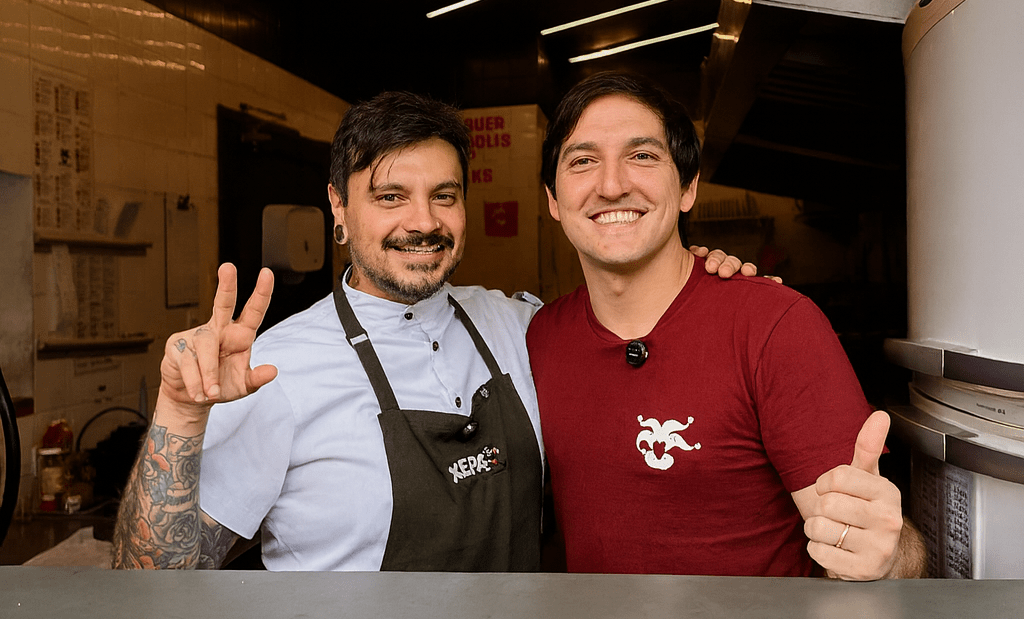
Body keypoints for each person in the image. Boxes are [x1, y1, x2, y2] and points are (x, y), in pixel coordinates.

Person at [111, 90, 750, 571]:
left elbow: (640, 328)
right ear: (338, 204)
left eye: (444, 196)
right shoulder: (276, 369)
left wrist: (709, 288)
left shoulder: (520, 325)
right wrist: (180, 414)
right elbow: (152, 578)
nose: (424, 221)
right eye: (391, 197)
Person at [527, 72, 927, 580]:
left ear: (688, 185)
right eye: (583, 161)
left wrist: (886, 557)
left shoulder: (775, 326)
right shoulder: (538, 339)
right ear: (553, 200)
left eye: (642, 156)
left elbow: (882, 549)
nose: (611, 185)